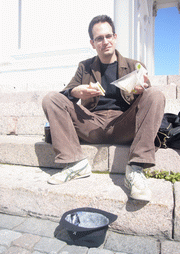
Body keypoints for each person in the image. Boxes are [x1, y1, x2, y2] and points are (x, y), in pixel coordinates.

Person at [42, 15, 165, 202]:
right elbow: (64, 94)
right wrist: (76, 92)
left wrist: (143, 91)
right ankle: (75, 164)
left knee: (155, 94)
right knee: (51, 98)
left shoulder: (134, 65)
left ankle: (136, 168)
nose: (105, 42)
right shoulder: (85, 67)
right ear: (92, 43)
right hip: (91, 123)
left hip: (124, 123)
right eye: (99, 38)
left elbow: (148, 101)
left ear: (115, 37)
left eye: (108, 36)